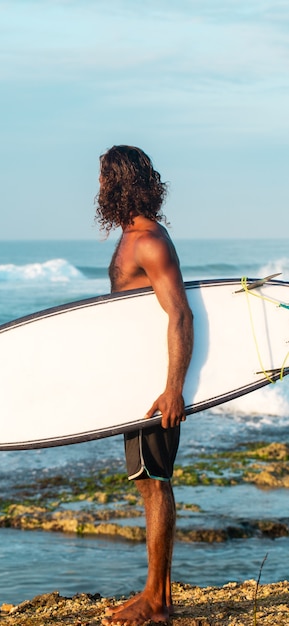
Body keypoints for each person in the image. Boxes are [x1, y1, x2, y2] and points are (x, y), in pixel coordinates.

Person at [96, 145, 194, 625]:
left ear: (116, 183)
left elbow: (179, 312)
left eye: (102, 180)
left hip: (156, 388)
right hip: (135, 386)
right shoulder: (130, 238)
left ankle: (158, 601)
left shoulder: (150, 240)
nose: (98, 189)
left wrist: (172, 388)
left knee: (156, 483)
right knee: (147, 482)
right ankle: (156, 594)